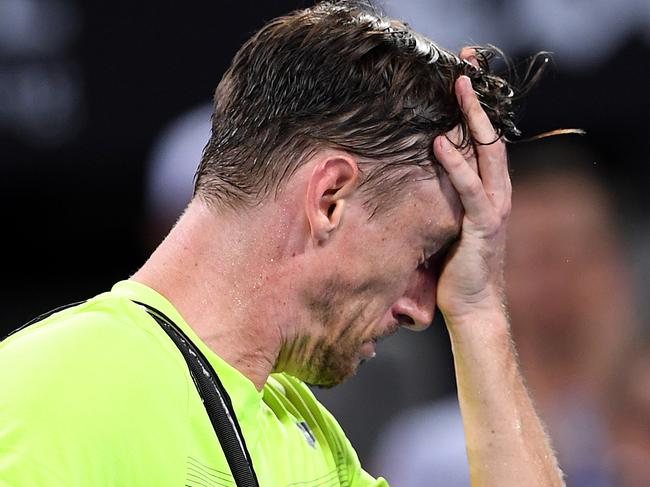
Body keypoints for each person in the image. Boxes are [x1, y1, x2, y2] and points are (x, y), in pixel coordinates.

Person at [0, 2, 564, 486]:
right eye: (425, 255)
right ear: (329, 200)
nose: (422, 309)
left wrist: (478, 309)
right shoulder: (58, 391)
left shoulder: (306, 436)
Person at [371, 143, 640, 486]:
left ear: (622, 266)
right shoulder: (432, 452)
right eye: (533, 258)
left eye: (577, 253)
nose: (558, 281)